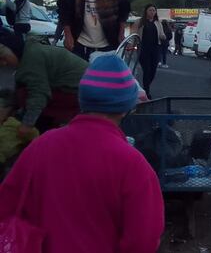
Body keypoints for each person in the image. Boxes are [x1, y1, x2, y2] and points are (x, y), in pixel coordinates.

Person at [0, 54, 165, 252]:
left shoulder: (41, 146)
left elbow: (6, 205)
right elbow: (143, 241)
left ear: (83, 99)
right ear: (125, 108)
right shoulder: (134, 165)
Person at [0, 30, 88, 134]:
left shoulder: (31, 58)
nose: (3, 63)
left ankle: (50, 125)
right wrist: (7, 109)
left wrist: (27, 125)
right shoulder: (28, 52)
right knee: (23, 93)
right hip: (77, 87)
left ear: (14, 49)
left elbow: (39, 93)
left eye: (4, 58)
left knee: (26, 96)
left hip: (82, 91)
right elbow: (19, 87)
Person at [136, 4, 168, 99]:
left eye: (154, 10)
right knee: (147, 70)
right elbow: (134, 34)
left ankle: (145, 87)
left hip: (155, 48)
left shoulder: (158, 23)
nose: (152, 12)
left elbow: (162, 34)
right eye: (150, 10)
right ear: (146, 11)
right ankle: (146, 91)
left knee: (153, 71)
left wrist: (163, 37)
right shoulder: (140, 22)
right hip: (144, 48)